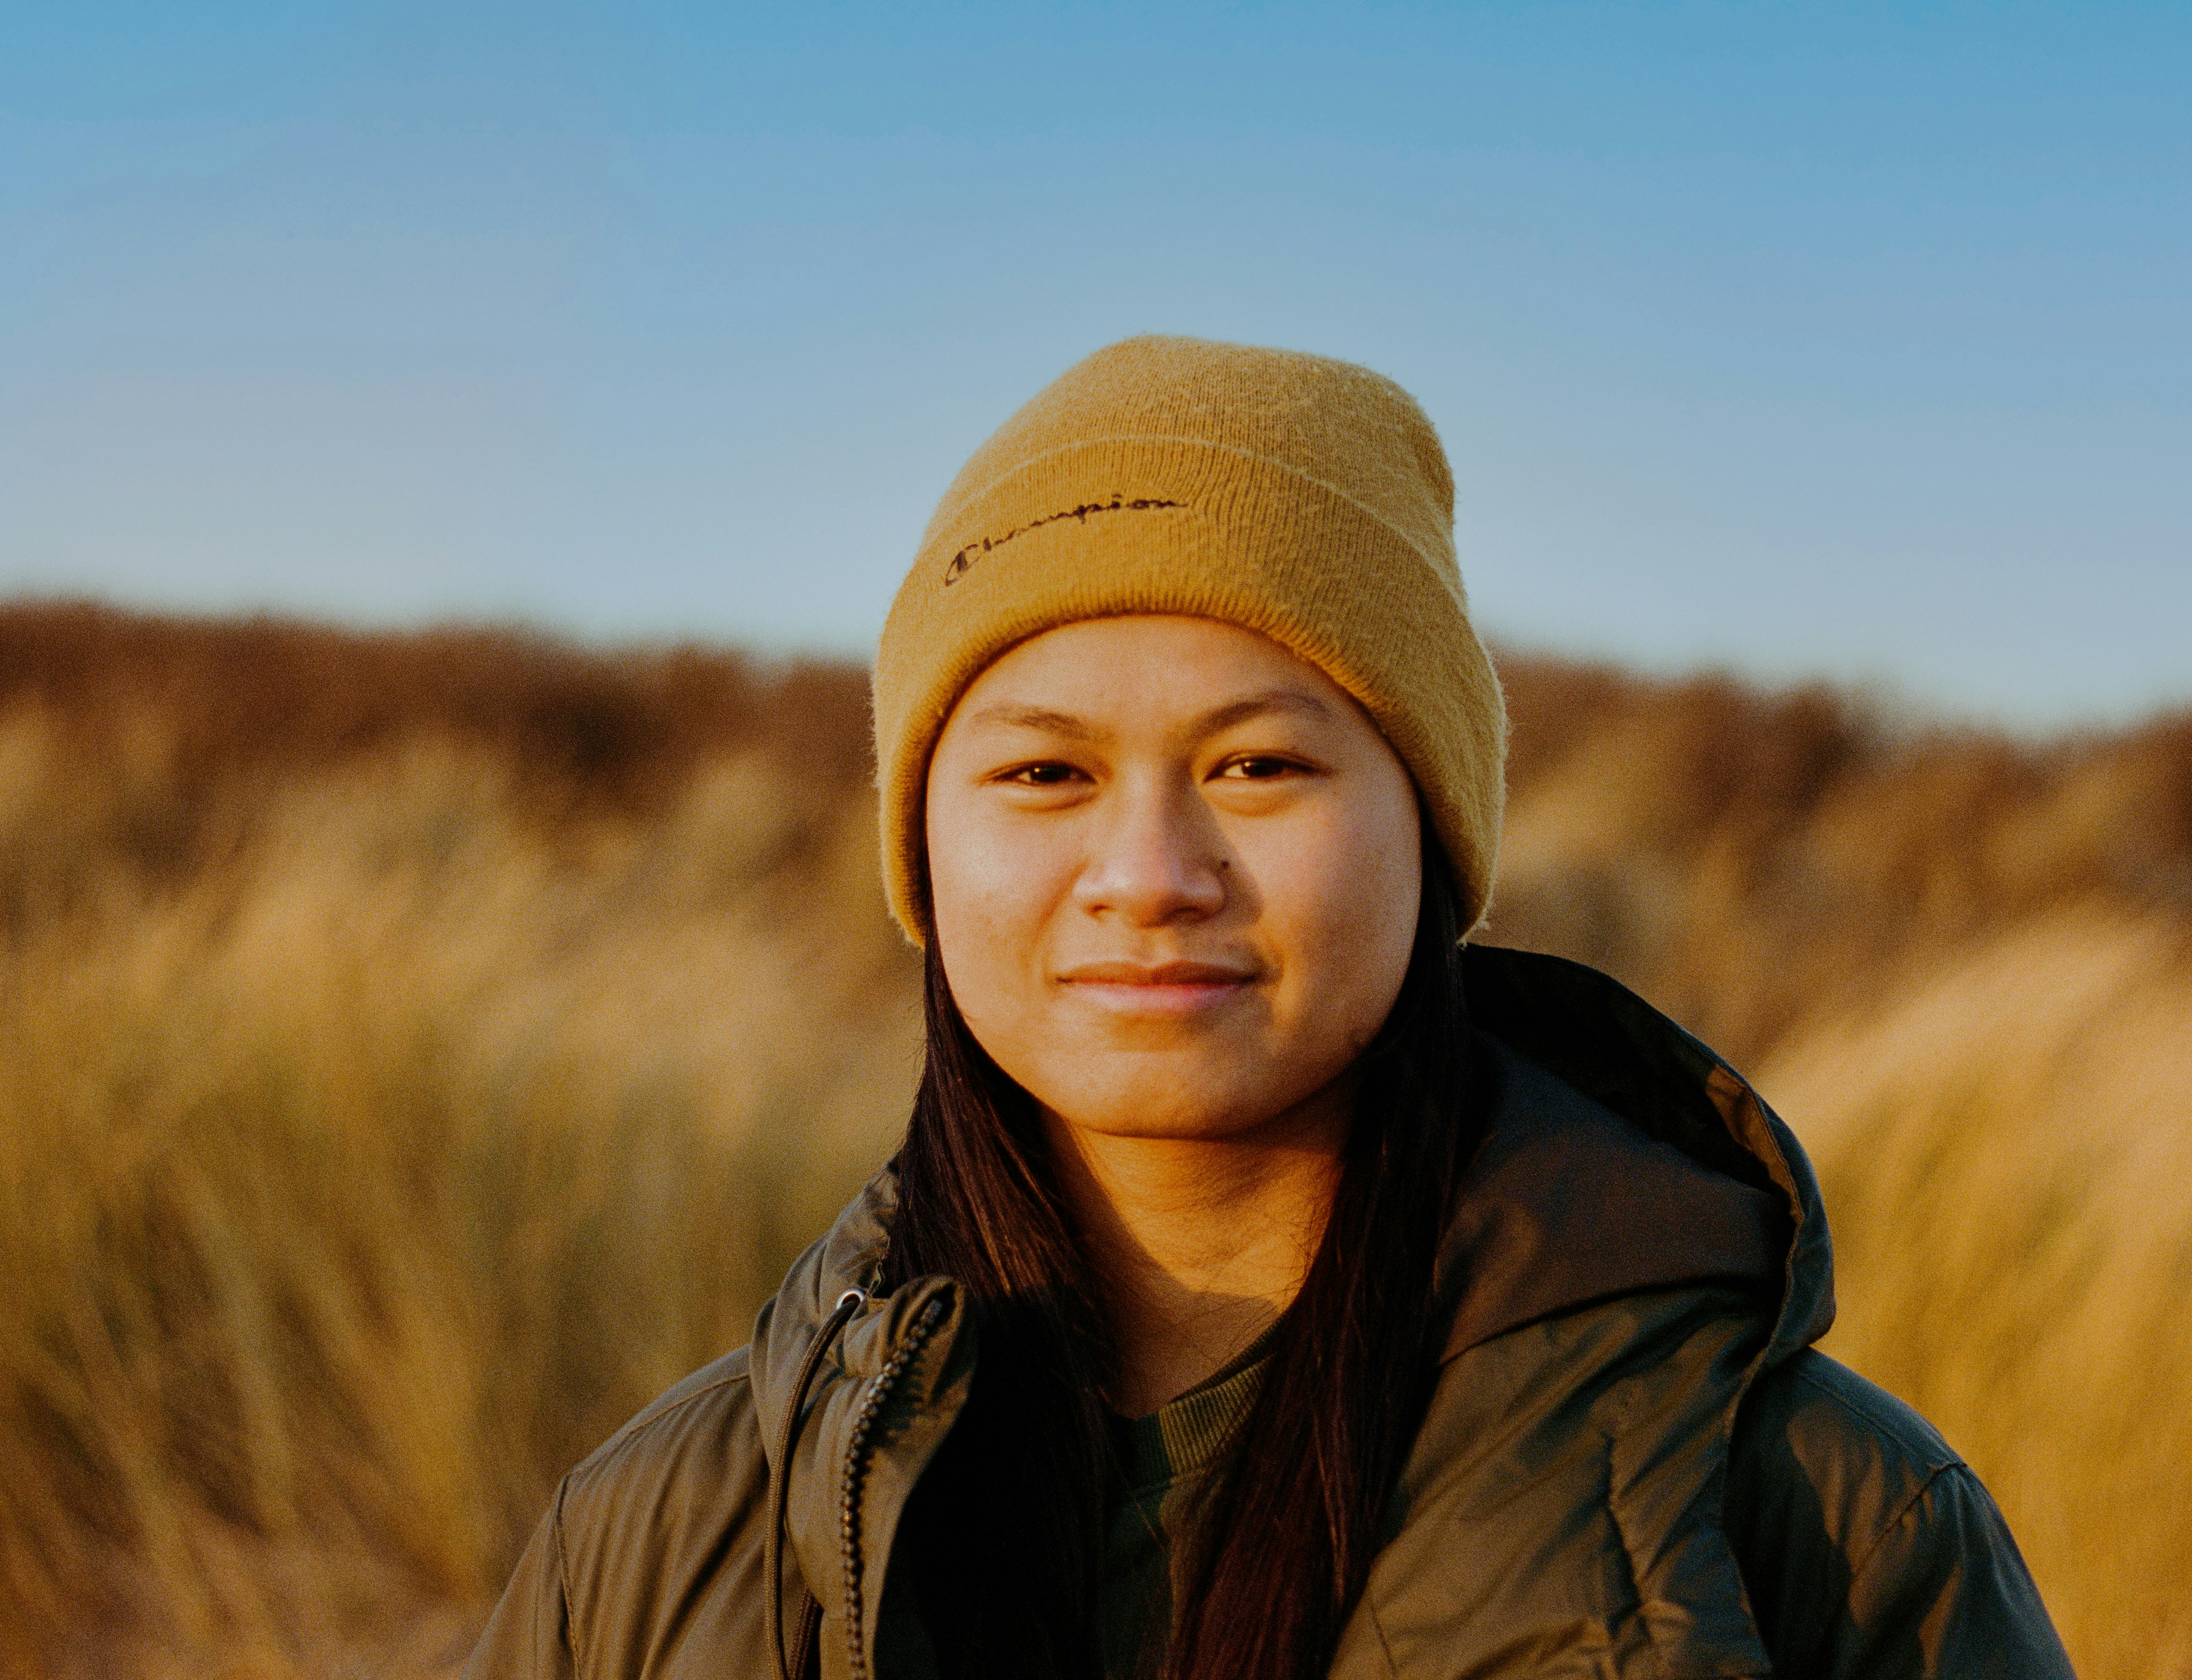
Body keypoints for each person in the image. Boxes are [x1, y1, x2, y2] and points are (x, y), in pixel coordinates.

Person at [464, 336, 2074, 1680]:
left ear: (1430, 833)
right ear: (925, 850)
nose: (1150, 873)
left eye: (1260, 766)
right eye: (1045, 773)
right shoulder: (667, 1531)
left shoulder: (1819, 1517)